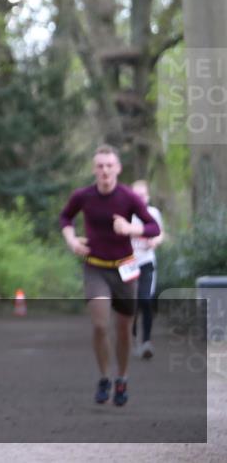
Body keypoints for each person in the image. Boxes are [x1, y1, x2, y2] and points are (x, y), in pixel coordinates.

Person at [59, 145, 161, 407]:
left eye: (109, 165)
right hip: (95, 267)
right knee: (100, 324)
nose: (104, 170)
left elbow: (153, 227)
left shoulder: (128, 197)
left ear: (117, 168)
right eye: (100, 166)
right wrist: (71, 240)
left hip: (125, 269)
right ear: (94, 169)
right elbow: (65, 217)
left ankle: (122, 378)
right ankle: (105, 377)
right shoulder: (83, 196)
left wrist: (130, 228)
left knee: (124, 330)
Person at [130, 180, 164, 360]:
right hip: (128, 264)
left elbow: (160, 234)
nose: (139, 199)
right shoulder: (125, 214)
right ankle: (132, 339)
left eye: (142, 195)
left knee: (145, 299)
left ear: (148, 197)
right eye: (136, 195)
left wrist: (155, 241)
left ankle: (147, 342)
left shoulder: (153, 213)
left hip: (146, 262)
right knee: (131, 303)